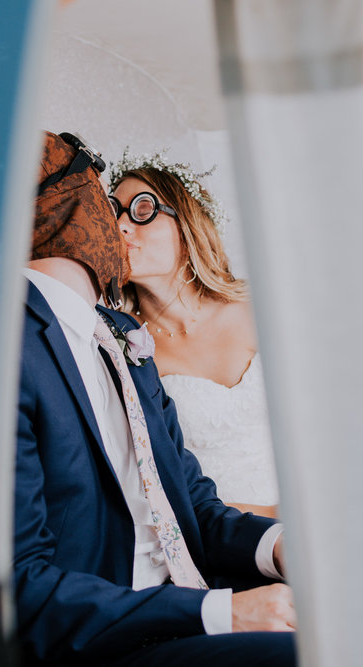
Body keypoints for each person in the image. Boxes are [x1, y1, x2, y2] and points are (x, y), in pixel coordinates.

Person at [13, 131, 296, 666]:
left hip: (208, 572)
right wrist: (223, 614)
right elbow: (23, 584)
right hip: (125, 627)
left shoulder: (120, 340)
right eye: (98, 181)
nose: (118, 221)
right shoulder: (11, 345)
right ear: (58, 204)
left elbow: (190, 505)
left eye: (139, 208)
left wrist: (283, 546)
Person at [108, 152, 279, 518]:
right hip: (218, 539)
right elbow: (152, 485)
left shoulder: (259, 309)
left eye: (142, 209)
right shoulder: (123, 349)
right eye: (113, 213)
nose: (121, 225)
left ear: (186, 226)